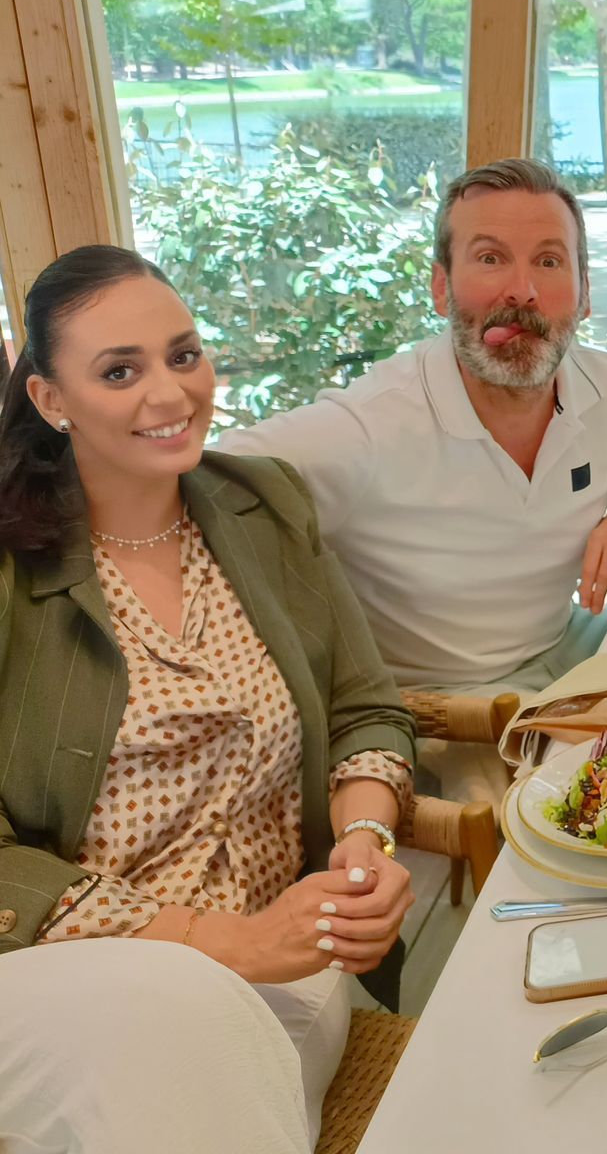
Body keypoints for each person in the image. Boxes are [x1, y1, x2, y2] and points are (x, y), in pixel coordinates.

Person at [0, 246, 417, 1152]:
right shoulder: (10, 571)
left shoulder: (265, 505)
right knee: (180, 1018)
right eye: (120, 370)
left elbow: (365, 712)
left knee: (214, 1072)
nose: (170, 395)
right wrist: (211, 942)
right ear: (50, 400)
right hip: (55, 970)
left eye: (183, 355)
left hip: (285, 965)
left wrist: (362, 842)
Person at [222, 158, 607, 707]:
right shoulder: (365, 427)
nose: (521, 291)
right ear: (441, 288)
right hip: (441, 712)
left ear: (584, 293)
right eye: (490, 258)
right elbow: (182, 487)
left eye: (548, 261)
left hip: (570, 647)